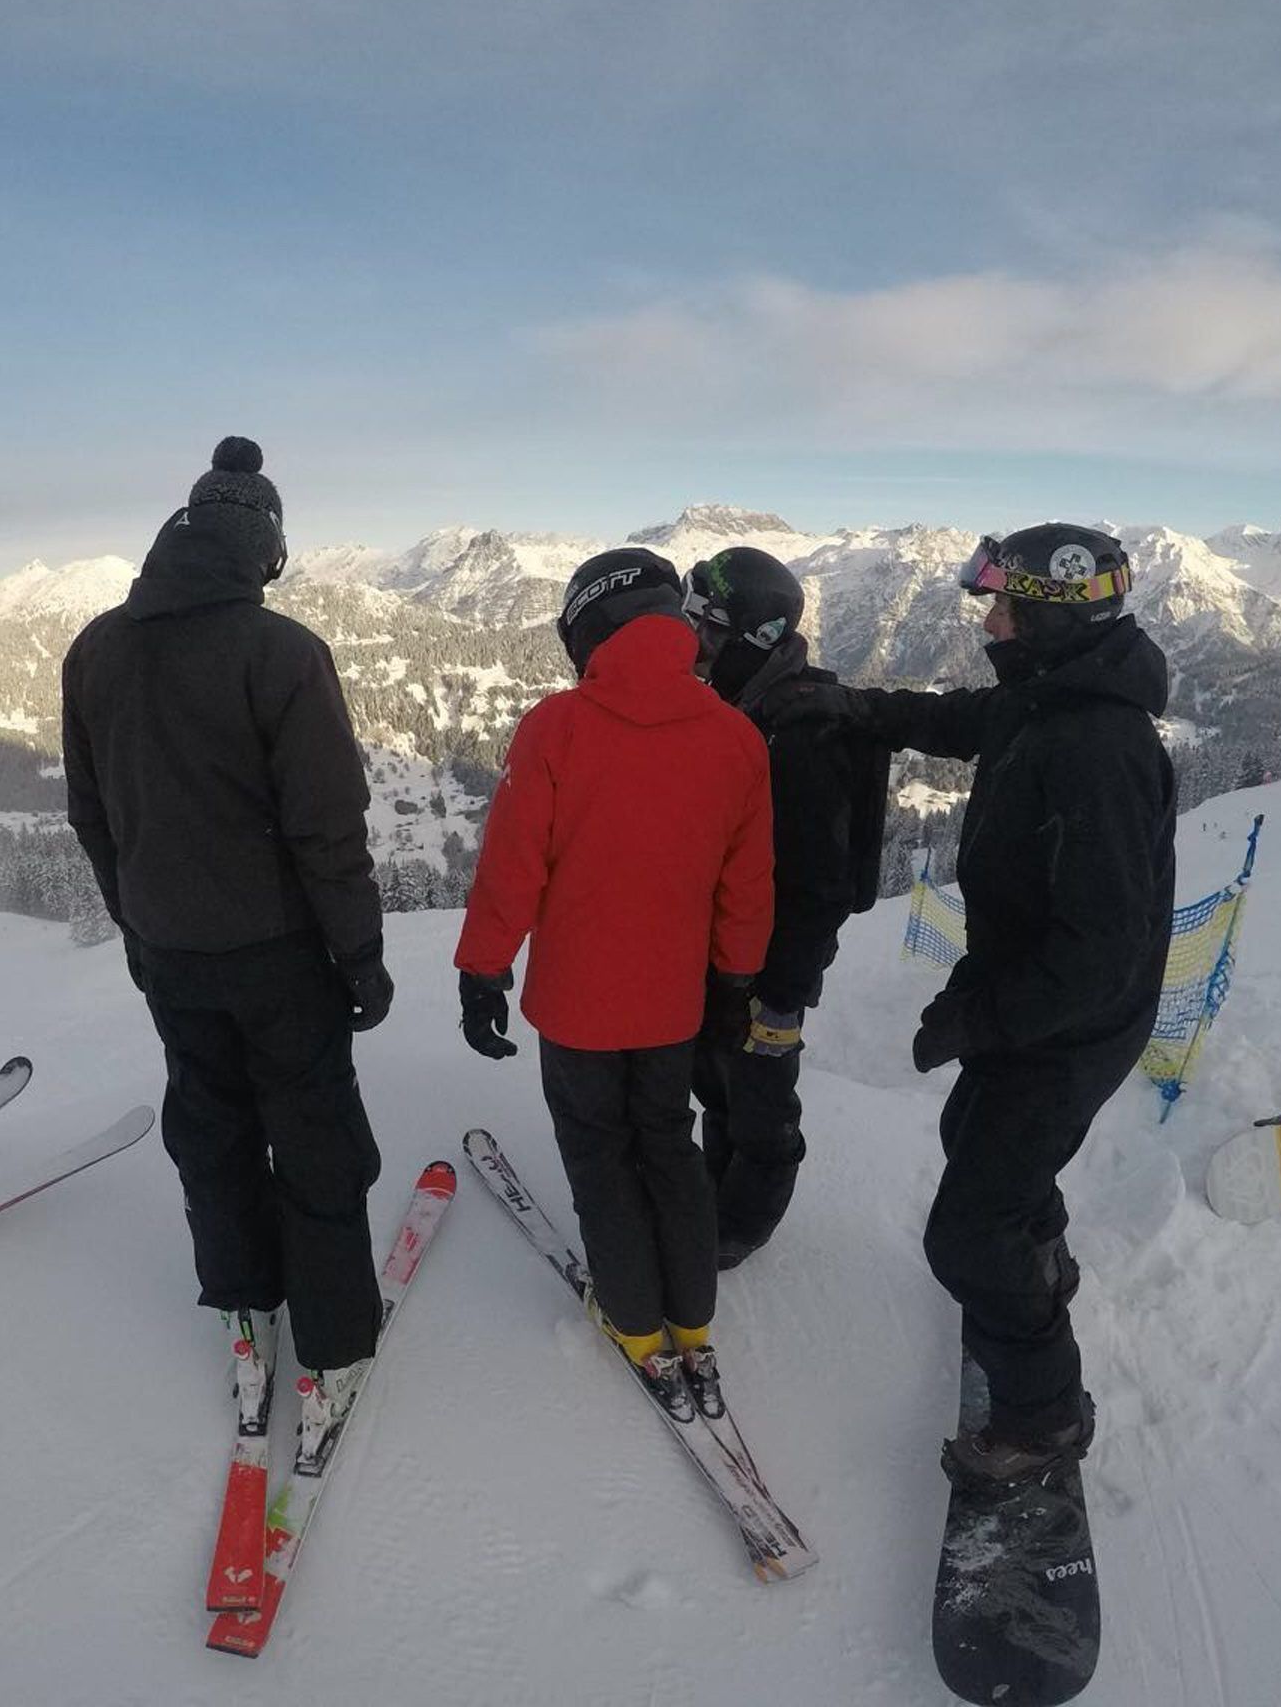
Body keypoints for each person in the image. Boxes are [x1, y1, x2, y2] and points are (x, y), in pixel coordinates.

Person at [781, 524, 1174, 1482]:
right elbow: (969, 722)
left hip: (1067, 1023)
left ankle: (1044, 1417)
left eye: (1005, 605)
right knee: (980, 1140)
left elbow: (1102, 951)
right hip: (1033, 1000)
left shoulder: (1097, 747)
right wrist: (864, 709)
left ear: (1050, 616)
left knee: (967, 1231)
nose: (988, 620)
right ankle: (1039, 1258)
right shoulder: (1055, 698)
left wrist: (980, 1018)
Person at [62, 436, 393, 1467]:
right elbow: (326, 827)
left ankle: (242, 1304)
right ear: (267, 551)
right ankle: (334, 1343)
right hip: (280, 953)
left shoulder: (96, 650)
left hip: (173, 953)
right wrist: (361, 956)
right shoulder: (281, 653)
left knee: (210, 1129)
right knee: (315, 1136)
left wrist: (137, 923)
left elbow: (92, 815)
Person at [453, 548, 773, 1420]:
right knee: (668, 1143)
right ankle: (692, 1317)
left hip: (579, 1004)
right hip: (675, 1001)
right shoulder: (733, 736)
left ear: (588, 627)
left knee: (601, 1153)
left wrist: (483, 970)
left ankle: (634, 1322)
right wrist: (738, 977)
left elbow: (512, 871)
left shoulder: (557, 730)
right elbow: (748, 885)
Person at [680, 547, 886, 1269]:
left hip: (771, 969)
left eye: (706, 625)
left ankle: (737, 1233)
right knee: (717, 1084)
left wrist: (781, 996)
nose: (691, 639)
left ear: (754, 638)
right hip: (723, 955)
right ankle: (714, 1196)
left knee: (761, 1102)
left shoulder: (801, 733)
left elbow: (819, 884)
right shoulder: (741, 706)